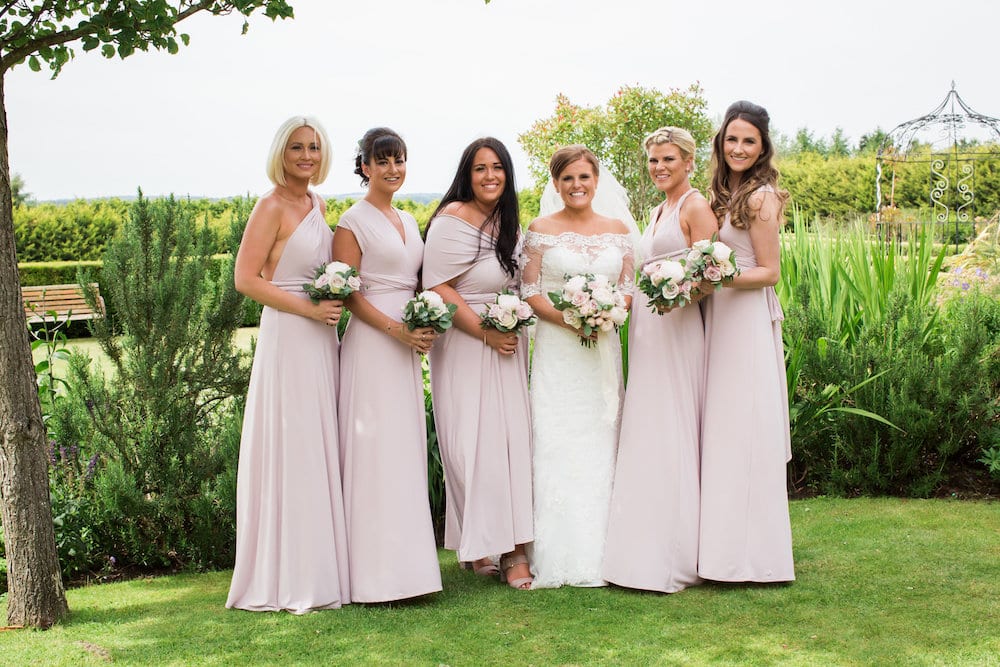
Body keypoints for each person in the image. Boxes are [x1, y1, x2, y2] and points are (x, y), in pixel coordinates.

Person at [226, 116, 350, 613]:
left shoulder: (317, 204)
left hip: (323, 337)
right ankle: (287, 575)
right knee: (293, 443)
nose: (306, 155)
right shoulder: (271, 205)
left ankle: (322, 569)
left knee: (320, 443)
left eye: (314, 147)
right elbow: (246, 279)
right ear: (282, 152)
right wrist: (310, 309)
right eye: (297, 147)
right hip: (290, 332)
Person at [602, 127, 718, 593]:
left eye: (668, 159)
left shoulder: (694, 205)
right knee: (648, 422)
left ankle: (677, 551)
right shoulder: (656, 211)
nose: (659, 167)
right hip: (650, 327)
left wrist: (680, 297)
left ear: (689, 161)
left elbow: (713, 271)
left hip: (678, 325)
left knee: (673, 422)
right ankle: (642, 539)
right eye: (653, 160)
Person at [332, 127, 443, 602]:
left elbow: (414, 281)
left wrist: (424, 322)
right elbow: (350, 294)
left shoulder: (409, 219)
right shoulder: (350, 222)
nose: (392, 169)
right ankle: (373, 577)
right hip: (374, 345)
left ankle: (410, 571)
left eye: (399, 160)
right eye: (382, 162)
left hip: (406, 346)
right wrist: (397, 330)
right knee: (374, 451)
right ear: (364, 167)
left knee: (403, 450)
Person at [422, 137, 534, 590]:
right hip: (467, 340)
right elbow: (440, 287)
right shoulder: (451, 220)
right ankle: (507, 552)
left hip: (506, 339)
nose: (490, 176)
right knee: (475, 441)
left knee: (509, 440)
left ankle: (497, 543)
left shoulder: (507, 220)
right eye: (480, 169)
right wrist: (485, 331)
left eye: (498, 168)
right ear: (466, 176)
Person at [521, 145, 635, 588]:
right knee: (556, 437)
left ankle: (606, 552)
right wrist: (571, 319)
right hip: (558, 349)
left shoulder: (618, 230)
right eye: (567, 178)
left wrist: (605, 315)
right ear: (555, 184)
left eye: (584, 177)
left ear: (596, 180)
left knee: (601, 435)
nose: (576, 186)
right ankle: (555, 552)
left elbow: (627, 287)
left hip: (601, 350)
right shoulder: (540, 230)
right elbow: (530, 289)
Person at [699, 101, 795, 583]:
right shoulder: (717, 195)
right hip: (718, 321)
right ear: (721, 142)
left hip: (745, 323)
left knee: (745, 428)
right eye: (732, 139)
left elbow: (769, 272)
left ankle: (758, 556)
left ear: (762, 148)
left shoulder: (761, 197)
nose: (738, 148)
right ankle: (719, 552)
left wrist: (715, 277)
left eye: (748, 141)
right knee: (721, 430)